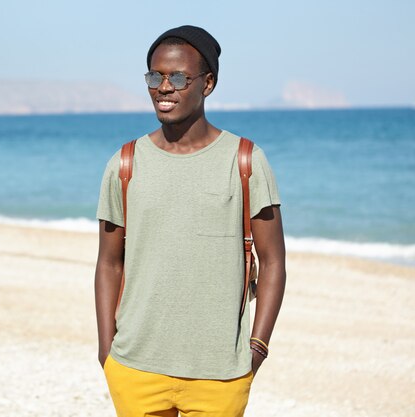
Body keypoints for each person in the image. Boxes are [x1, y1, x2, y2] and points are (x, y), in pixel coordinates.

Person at [94, 25, 286, 417]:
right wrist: (106, 349)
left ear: (208, 83)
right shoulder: (125, 164)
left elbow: (274, 262)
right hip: (135, 367)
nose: (165, 87)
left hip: (220, 373)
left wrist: (257, 348)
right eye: (155, 76)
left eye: (179, 77)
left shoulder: (246, 161)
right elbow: (109, 262)